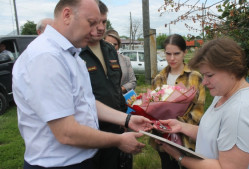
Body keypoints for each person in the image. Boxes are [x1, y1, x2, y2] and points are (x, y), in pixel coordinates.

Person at [12, 0, 152, 168]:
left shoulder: (70, 53)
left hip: (80, 159)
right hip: (59, 164)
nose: (96, 30)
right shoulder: (47, 57)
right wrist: (119, 140)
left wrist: (127, 119)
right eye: (91, 23)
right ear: (67, 15)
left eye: (100, 22)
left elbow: (85, 102)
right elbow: (66, 133)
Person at [156, 37, 249, 169]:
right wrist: (181, 127)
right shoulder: (224, 93)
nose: (204, 82)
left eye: (209, 75)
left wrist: (179, 157)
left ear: (231, 69)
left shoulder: (239, 112)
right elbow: (214, 135)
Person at [79, 1, 133, 169]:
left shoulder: (110, 49)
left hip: (117, 124)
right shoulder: (77, 50)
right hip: (91, 130)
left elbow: (116, 89)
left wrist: (126, 120)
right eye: (95, 22)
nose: (101, 27)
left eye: (104, 22)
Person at [151, 34, 206, 169]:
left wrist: (179, 127)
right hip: (162, 137)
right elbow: (151, 107)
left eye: (177, 53)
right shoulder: (159, 78)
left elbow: (198, 111)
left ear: (185, 52)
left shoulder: (194, 77)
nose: (172, 58)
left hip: (186, 140)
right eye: (168, 54)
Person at [104, 29, 137, 94]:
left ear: (118, 45)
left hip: (122, 99)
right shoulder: (98, 60)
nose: (111, 46)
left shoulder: (125, 60)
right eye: (108, 44)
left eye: (115, 44)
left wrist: (119, 90)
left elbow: (133, 82)